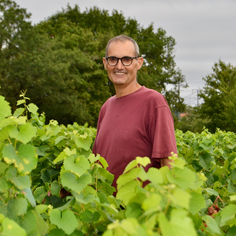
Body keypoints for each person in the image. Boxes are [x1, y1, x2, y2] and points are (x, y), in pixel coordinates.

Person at [92, 35, 177, 191]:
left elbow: (169, 164)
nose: (119, 66)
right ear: (105, 63)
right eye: (113, 59)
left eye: (126, 59)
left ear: (139, 63)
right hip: (107, 212)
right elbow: (97, 166)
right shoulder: (106, 107)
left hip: (141, 210)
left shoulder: (154, 102)